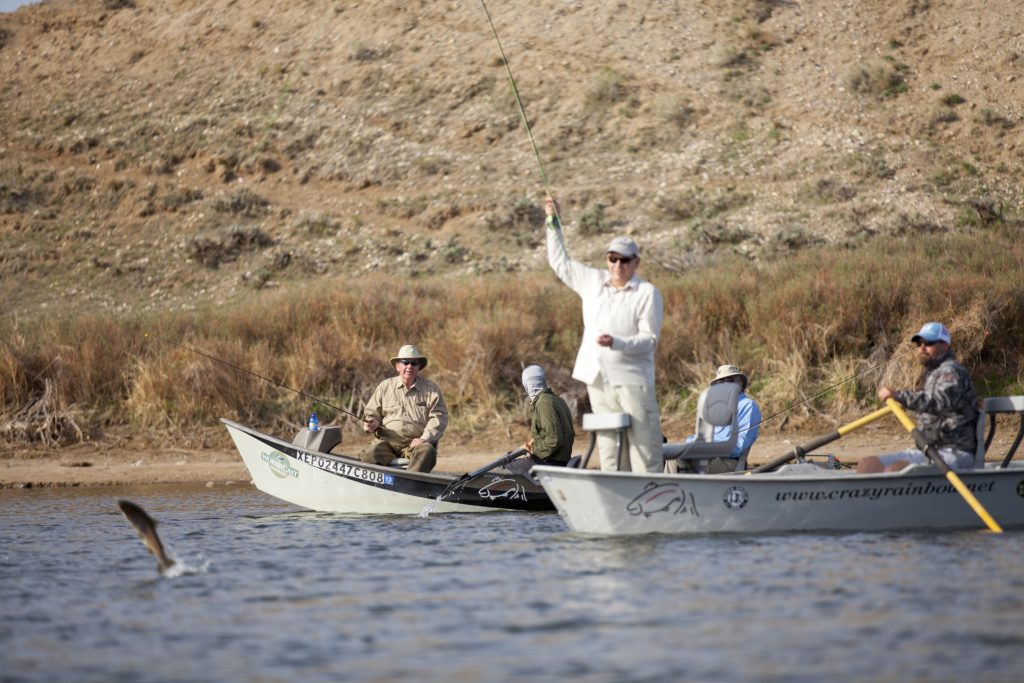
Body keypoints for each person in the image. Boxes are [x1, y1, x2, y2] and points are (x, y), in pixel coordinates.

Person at [544, 196, 664, 473]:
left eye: (625, 260)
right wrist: (553, 222)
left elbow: (649, 340)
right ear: (607, 259)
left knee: (644, 449)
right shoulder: (593, 281)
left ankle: (652, 492)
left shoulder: (647, 293)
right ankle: (615, 494)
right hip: (598, 378)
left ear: (636, 263)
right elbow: (560, 262)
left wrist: (616, 343)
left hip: (633, 380)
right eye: (613, 259)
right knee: (610, 449)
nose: (618, 265)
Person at [857, 322, 980, 473]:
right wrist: (904, 402)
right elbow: (927, 402)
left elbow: (937, 402)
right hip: (927, 450)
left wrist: (899, 396)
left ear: (945, 345)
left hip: (954, 452)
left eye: (928, 343)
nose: (922, 348)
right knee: (868, 465)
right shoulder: (931, 374)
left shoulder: (952, 371)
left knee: (895, 470)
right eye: (919, 343)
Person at [361, 344, 449, 473]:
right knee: (369, 453)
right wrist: (371, 422)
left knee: (427, 451)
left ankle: (411, 481)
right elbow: (372, 414)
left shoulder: (431, 389)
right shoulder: (385, 386)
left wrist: (424, 438)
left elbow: (439, 418)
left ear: (419, 367)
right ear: (398, 366)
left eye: (414, 363)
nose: (409, 366)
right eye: (405, 362)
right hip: (387, 443)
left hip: (416, 445)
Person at [677, 364, 761, 473]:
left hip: (729, 462)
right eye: (721, 382)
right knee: (672, 454)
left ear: (740, 384)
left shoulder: (748, 405)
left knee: (681, 457)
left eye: (730, 380)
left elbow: (739, 446)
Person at [507, 365, 576, 475]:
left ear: (527, 385)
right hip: (559, 459)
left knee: (506, 467)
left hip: (551, 462)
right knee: (510, 457)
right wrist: (532, 443)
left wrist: (534, 451)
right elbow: (556, 432)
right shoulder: (557, 400)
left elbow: (554, 439)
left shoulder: (543, 403)